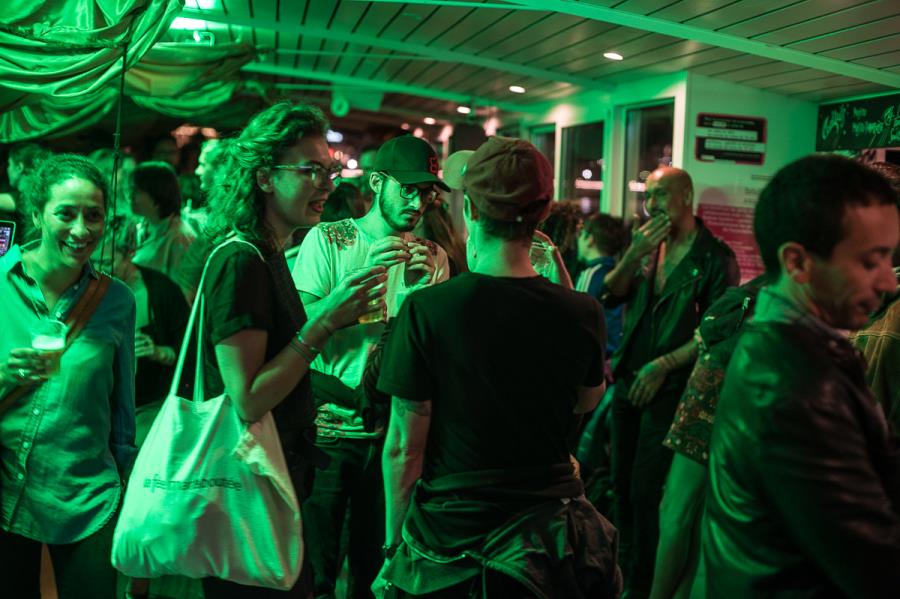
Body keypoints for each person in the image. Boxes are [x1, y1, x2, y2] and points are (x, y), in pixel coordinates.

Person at [373, 136, 621, 598]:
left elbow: (404, 448)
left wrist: (393, 552)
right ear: (542, 215)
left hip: (453, 541)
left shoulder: (428, 309)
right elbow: (586, 400)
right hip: (545, 546)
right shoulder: (581, 312)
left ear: (470, 211)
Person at [198, 100, 386, 598]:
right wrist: (326, 320)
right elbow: (248, 397)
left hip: (272, 478)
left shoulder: (270, 251)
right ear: (264, 177)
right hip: (246, 490)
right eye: (311, 171)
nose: (327, 185)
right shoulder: (242, 260)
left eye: (330, 171)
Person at [704, 154, 900, 597]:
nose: (889, 281)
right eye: (870, 261)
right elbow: (873, 564)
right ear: (797, 262)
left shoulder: (788, 350)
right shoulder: (794, 384)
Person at [292, 134, 450, 599]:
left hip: (392, 433)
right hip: (328, 428)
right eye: (408, 190)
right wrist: (358, 281)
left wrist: (422, 298)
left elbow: (435, 355)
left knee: (374, 568)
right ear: (377, 183)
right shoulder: (330, 239)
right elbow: (299, 327)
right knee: (314, 566)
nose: (418, 203)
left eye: (427, 193)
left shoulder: (433, 257)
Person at [0, 153, 137, 597]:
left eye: (93, 216)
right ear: (37, 213)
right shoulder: (1, 280)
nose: (81, 230)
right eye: (66, 213)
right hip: (5, 486)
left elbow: (122, 405)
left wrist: (127, 484)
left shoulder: (117, 301)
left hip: (84, 492)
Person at [603, 166, 738, 597]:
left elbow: (717, 332)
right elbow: (610, 294)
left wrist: (663, 365)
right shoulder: (646, 244)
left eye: (660, 194)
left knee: (646, 492)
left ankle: (641, 584)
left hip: (672, 388)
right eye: (647, 196)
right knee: (619, 483)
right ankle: (619, 575)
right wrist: (633, 254)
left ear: (686, 196)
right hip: (629, 379)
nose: (651, 205)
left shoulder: (714, 257)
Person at [648, 274, 767, 599]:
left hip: (714, 386)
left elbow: (712, 326)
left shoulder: (773, 283)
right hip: (745, 397)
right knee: (697, 516)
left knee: (676, 511)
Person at [130, 161, 197, 297]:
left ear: (156, 194)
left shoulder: (181, 238)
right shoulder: (142, 228)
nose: (131, 196)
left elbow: (183, 294)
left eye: (136, 190)